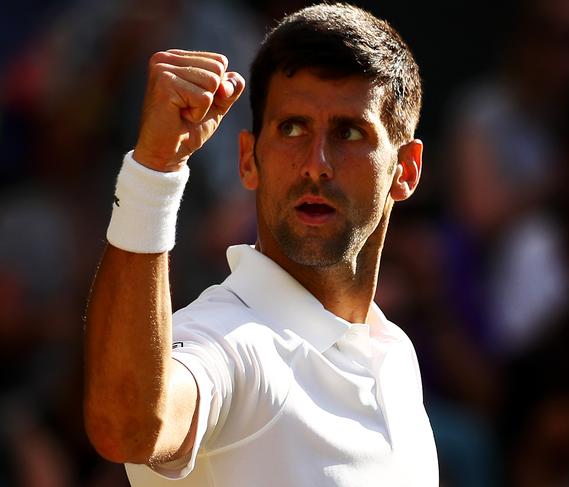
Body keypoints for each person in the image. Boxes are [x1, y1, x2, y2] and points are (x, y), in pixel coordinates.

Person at [83, 3, 438, 486]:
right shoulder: (228, 341)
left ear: (406, 170)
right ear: (248, 159)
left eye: (349, 132)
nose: (316, 164)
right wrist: (154, 172)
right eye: (292, 128)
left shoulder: (395, 354)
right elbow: (128, 427)